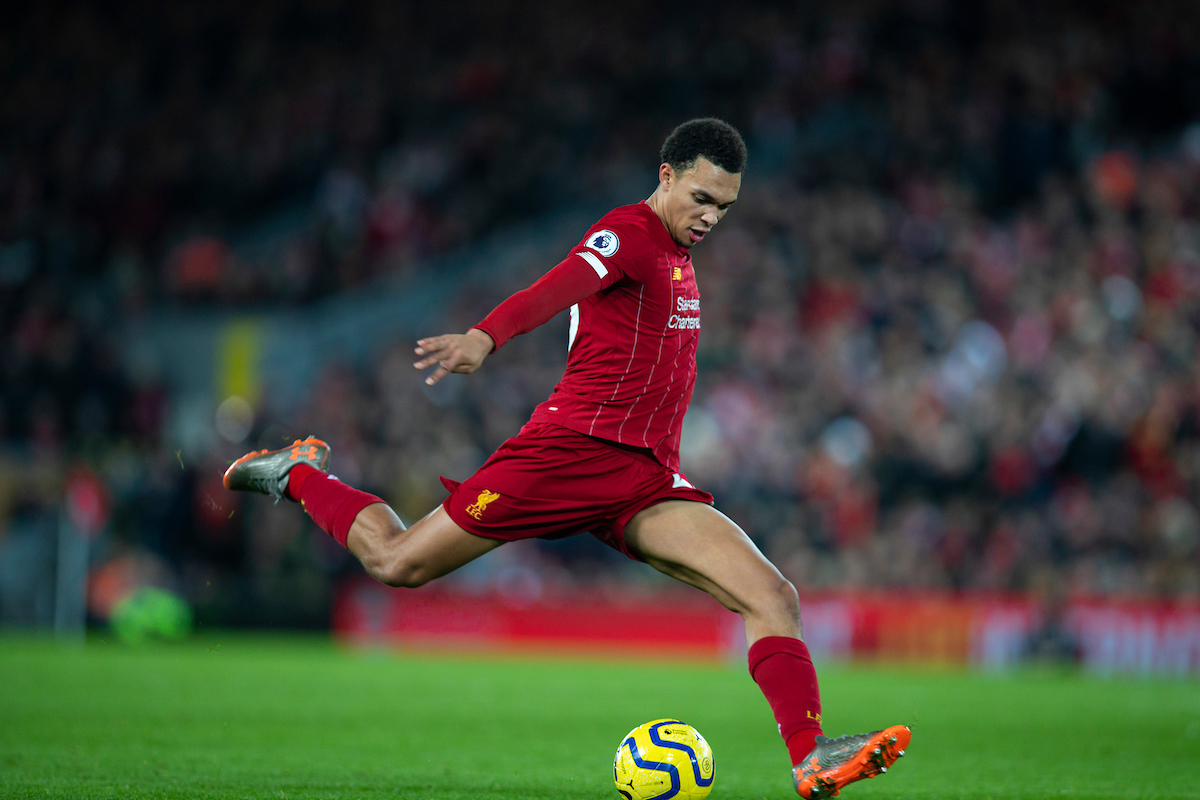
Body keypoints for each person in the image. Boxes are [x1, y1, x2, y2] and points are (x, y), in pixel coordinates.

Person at [224, 118, 909, 798]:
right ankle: (299, 472)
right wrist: (486, 337)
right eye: (701, 198)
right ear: (666, 175)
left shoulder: (678, 256)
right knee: (398, 561)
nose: (710, 217)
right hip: (568, 454)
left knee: (773, 596)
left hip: (644, 480)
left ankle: (810, 756)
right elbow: (560, 283)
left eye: (724, 207)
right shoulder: (632, 233)